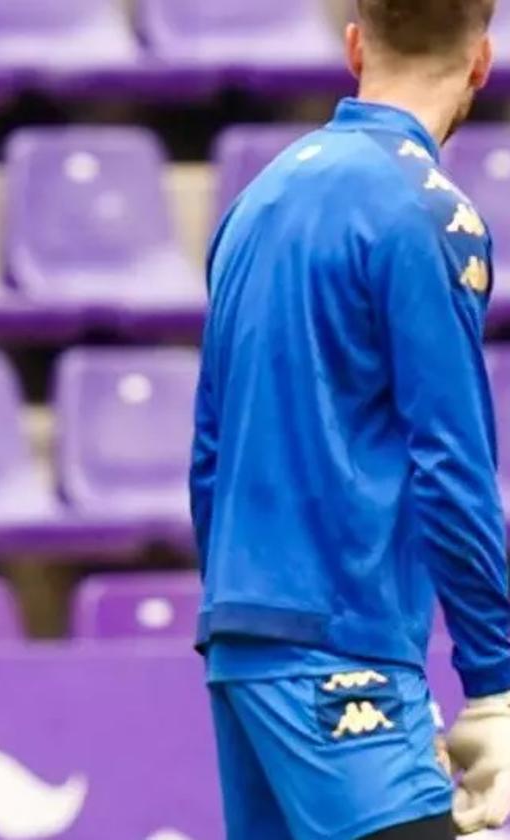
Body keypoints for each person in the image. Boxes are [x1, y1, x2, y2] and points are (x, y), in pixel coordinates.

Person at [191, 2, 510, 838]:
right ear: (482, 62)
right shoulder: (429, 212)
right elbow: (452, 464)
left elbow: (209, 457)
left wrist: (237, 610)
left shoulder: (255, 203)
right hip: (342, 654)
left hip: (243, 646)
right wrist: (495, 683)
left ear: (354, 45)